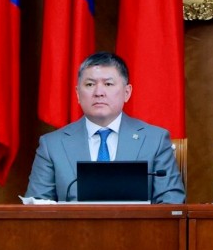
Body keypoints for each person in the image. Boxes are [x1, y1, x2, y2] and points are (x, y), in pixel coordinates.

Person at [24, 51, 185, 203]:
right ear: (78, 94)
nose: (99, 92)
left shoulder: (155, 141)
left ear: (127, 92)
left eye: (108, 84)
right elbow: (36, 209)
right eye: (90, 84)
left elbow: (171, 204)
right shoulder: (52, 145)